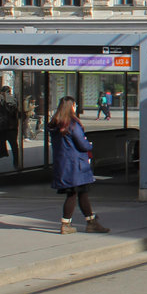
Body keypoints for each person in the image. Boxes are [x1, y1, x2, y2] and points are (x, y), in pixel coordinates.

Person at [49, 96, 109, 235]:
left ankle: (91, 221)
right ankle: (66, 224)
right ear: (71, 107)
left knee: (81, 193)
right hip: (76, 165)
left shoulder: (55, 124)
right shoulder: (72, 124)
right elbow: (82, 144)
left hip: (63, 164)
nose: (75, 108)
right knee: (74, 193)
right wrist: (90, 145)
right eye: (74, 105)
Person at [0, 85, 21, 173]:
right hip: (2, 128)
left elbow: (14, 112)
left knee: (14, 147)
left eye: (8, 92)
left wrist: (9, 102)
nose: (6, 94)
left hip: (10, 128)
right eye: (5, 93)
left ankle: (16, 164)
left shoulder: (13, 101)